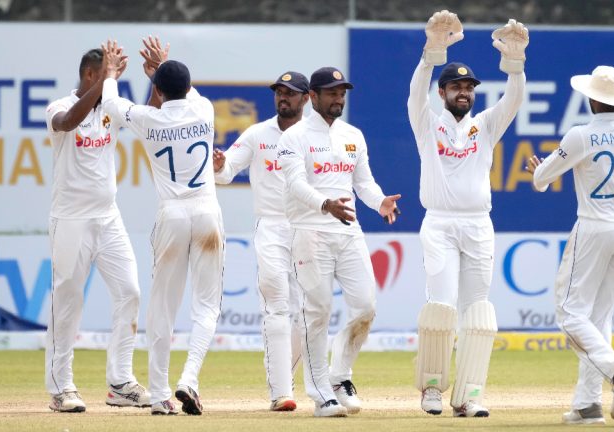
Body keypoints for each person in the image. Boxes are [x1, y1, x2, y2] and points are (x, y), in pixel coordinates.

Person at [527, 65, 614, 425]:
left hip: (594, 227)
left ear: (592, 98)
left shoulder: (582, 135)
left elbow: (541, 179)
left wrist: (539, 169)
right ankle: (587, 404)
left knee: (568, 311)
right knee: (598, 316)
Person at [407, 10, 527, 417]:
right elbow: (414, 92)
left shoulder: (485, 126)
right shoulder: (427, 123)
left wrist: (515, 65)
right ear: (442, 93)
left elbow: (513, 100)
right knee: (441, 308)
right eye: (456, 86)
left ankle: (470, 394)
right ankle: (433, 389)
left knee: (478, 313)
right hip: (439, 223)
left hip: (479, 225)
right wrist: (432, 53)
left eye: (469, 87)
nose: (464, 92)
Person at [101, 38, 225, 416]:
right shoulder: (204, 110)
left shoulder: (148, 118)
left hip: (171, 214)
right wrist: (163, 67)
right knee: (206, 305)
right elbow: (187, 91)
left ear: (156, 91)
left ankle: (159, 394)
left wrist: (110, 74)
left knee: (162, 307)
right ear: (187, 88)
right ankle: (189, 378)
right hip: (206, 210)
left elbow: (110, 105)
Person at [277, 66, 401, 417]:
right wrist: (325, 204)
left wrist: (380, 203)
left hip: (348, 232)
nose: (338, 98)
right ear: (312, 97)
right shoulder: (294, 137)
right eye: (331, 92)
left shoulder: (353, 135)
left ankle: (339, 376)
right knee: (317, 314)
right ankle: (320, 396)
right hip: (310, 231)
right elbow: (294, 184)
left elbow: (363, 182)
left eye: (342, 91)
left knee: (365, 307)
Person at [44, 43, 150, 413]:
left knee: (130, 291)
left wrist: (154, 78)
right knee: (67, 302)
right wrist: (107, 80)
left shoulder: (110, 107)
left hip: (108, 217)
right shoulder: (59, 106)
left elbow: (147, 118)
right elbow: (69, 122)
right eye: (104, 74)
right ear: (91, 75)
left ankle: (120, 383)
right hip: (70, 219)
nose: (112, 81)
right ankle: (61, 387)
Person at [212, 71, 310, 412]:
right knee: (276, 306)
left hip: (308, 226)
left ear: (306, 98)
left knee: (308, 312)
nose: (283, 98)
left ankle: (286, 375)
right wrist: (219, 165)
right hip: (270, 226)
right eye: (279, 92)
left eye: (291, 93)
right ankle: (281, 391)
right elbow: (225, 175)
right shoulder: (257, 134)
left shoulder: (315, 135)